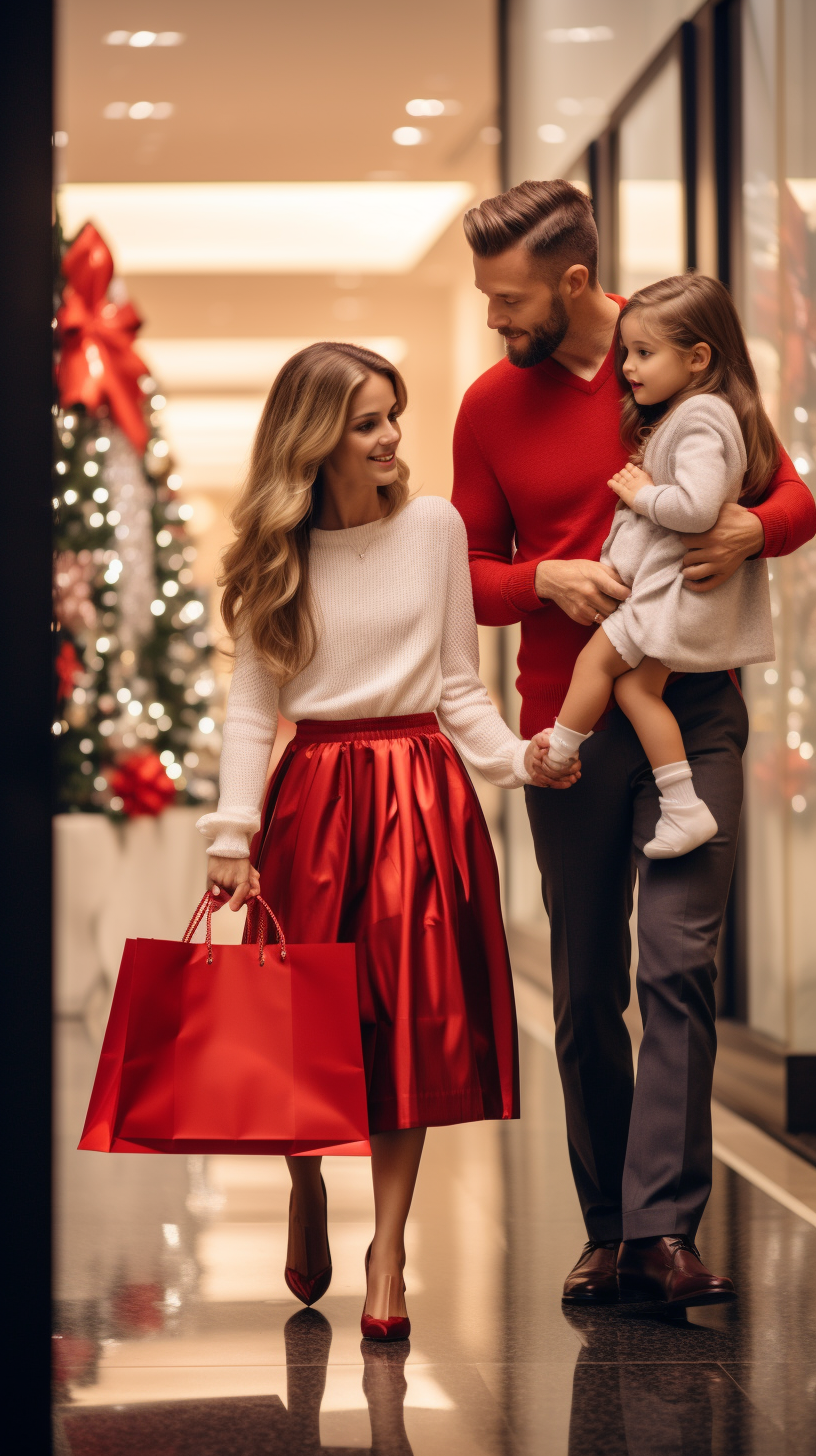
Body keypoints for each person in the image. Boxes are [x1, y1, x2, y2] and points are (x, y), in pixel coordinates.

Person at [452, 180, 816, 1307]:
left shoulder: (675, 353)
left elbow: (792, 492)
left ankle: (662, 1229)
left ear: (574, 284)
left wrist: (758, 524)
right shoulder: (486, 407)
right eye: (484, 301)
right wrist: (538, 578)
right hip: (568, 717)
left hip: (695, 705)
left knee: (679, 962)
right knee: (585, 983)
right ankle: (607, 1224)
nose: (496, 323)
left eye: (510, 301)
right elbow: (462, 573)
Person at [197, 341, 558, 1341]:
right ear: (316, 438)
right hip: (313, 795)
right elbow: (248, 706)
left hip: (422, 798)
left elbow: (456, 686)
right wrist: (235, 831)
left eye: (393, 413)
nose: (393, 435)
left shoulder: (436, 527)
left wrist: (520, 761)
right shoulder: (280, 554)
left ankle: (389, 1248)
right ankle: (306, 1181)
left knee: (409, 1025)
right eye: (367, 421)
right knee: (297, 1023)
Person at [546, 273, 777, 861]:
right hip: (666, 596)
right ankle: (683, 806)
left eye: (644, 354)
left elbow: (697, 510)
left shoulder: (699, 417)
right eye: (627, 352)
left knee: (595, 664)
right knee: (635, 689)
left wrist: (643, 494)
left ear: (698, 358)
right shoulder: (702, 410)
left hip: (666, 598)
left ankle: (559, 752)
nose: (627, 367)